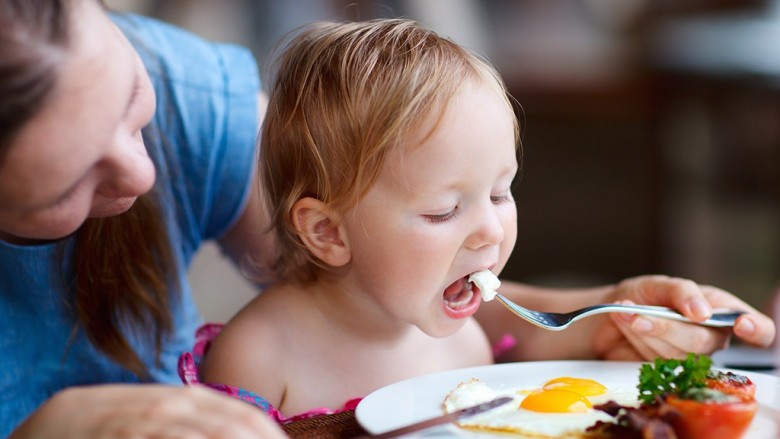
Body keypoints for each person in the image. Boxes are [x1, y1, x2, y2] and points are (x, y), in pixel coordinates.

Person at [185, 18, 776, 422]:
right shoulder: (259, 359)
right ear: (328, 232)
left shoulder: (465, 333)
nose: (491, 231)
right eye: (444, 210)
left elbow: (548, 332)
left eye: (500, 194)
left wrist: (631, 314)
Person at [0, 0, 285, 437]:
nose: (143, 173)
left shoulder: (188, 89)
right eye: (66, 187)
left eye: (131, 92)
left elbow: (365, 299)